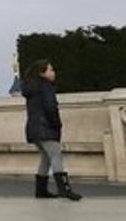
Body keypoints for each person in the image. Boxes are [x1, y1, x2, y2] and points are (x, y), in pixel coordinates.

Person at [22, 59, 81, 201]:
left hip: (34, 128)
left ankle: (41, 190)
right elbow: (50, 107)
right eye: (51, 69)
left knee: (46, 158)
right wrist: (57, 124)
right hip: (46, 127)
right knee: (56, 155)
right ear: (42, 73)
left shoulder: (31, 88)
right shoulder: (45, 86)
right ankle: (64, 190)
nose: (53, 72)